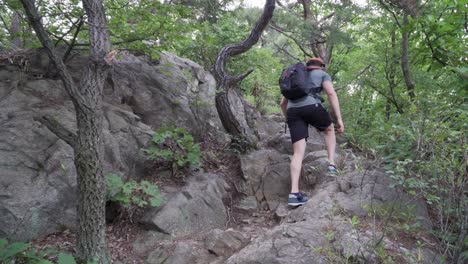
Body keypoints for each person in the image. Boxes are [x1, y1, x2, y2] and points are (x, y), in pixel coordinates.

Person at [280, 57, 344, 206]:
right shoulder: (322, 74)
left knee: (297, 153)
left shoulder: (295, 75)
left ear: (307, 66)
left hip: (292, 112)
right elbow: (331, 94)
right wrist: (338, 118)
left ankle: (294, 194)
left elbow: (283, 103)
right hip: (312, 107)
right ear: (321, 66)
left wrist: (289, 119)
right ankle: (331, 165)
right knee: (329, 129)